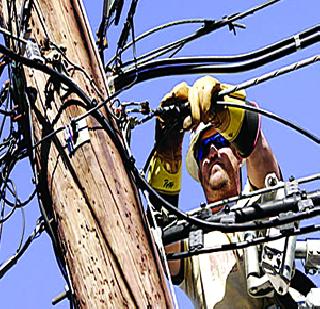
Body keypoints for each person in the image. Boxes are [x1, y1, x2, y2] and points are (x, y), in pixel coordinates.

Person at [147, 76, 283, 308]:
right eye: (201, 151)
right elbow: (162, 239)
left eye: (219, 141)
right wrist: (167, 152)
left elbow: (261, 158)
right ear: (199, 173)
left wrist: (228, 113)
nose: (211, 152)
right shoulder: (192, 239)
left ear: (239, 156)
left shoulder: (259, 204)